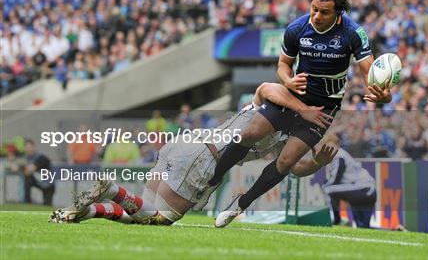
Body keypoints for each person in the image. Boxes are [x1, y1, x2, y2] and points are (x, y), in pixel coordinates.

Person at [211, 0, 392, 227]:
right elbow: (283, 65)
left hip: (324, 107)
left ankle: (239, 205)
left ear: (338, 13)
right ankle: (212, 181)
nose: (316, 16)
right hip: (294, 95)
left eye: (324, 12)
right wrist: (287, 81)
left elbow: (369, 73)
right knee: (250, 132)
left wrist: (384, 95)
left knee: (286, 162)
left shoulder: (353, 33)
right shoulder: (297, 28)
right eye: (314, 9)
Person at [49, 82, 337, 225]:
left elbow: (291, 167)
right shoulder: (273, 108)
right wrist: (301, 108)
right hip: (203, 159)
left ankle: (88, 211)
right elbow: (268, 88)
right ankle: (111, 189)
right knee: (159, 219)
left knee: (142, 212)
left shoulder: (273, 123)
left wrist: (316, 163)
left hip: (183, 144)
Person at [322, 136, 376, 228]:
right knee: (363, 227)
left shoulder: (339, 155)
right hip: (368, 190)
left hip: (362, 189)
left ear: (337, 144)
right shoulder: (343, 154)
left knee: (328, 189)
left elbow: (336, 179)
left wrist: (325, 184)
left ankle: (334, 219)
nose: (329, 148)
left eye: (331, 144)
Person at [23, 139, 55, 206]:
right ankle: (27, 203)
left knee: (47, 206)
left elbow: (30, 169)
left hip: (48, 184)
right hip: (38, 181)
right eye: (27, 148)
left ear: (34, 147)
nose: (29, 150)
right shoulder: (28, 157)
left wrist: (20, 168)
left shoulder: (41, 157)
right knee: (28, 180)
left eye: (30, 147)